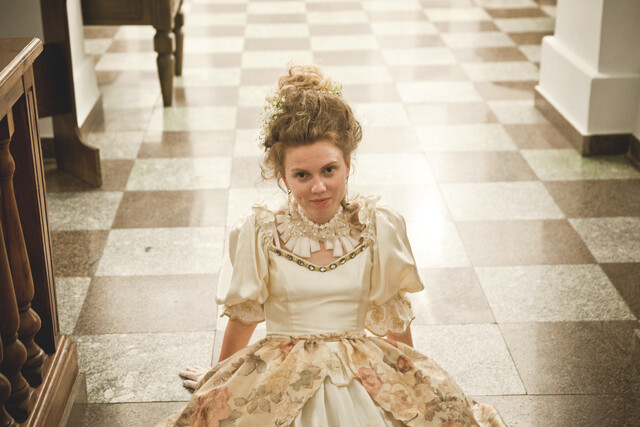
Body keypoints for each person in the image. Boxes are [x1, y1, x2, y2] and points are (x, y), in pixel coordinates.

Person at [160, 64, 507, 427]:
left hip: (358, 372)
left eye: (329, 170)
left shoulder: (378, 228)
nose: (318, 187)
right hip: (282, 375)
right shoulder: (260, 233)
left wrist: (412, 386)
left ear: (348, 164)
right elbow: (243, 317)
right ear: (283, 178)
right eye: (302, 175)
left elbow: (394, 322)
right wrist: (220, 380)